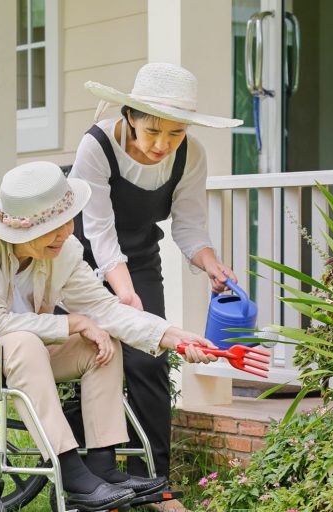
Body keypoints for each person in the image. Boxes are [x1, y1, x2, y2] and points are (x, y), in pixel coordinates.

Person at [0, 161, 218, 512]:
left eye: (68, 220)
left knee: (100, 342)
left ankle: (103, 467)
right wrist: (72, 323)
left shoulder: (63, 250)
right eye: (52, 227)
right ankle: (71, 472)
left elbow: (106, 309)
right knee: (29, 342)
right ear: (21, 231)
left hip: (17, 347)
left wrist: (174, 336)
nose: (65, 233)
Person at [69, 62, 243, 486]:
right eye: (153, 132)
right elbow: (100, 233)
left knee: (149, 362)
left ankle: (153, 482)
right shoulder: (96, 146)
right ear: (129, 117)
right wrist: (125, 298)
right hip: (80, 260)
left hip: (141, 259)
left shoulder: (191, 154)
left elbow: (188, 225)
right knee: (95, 356)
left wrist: (210, 264)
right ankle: (91, 476)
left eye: (175, 133)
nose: (163, 144)